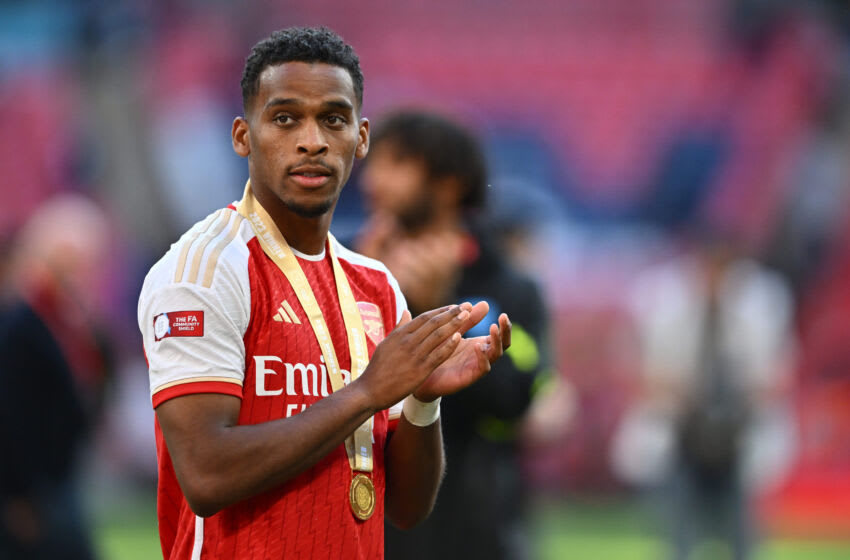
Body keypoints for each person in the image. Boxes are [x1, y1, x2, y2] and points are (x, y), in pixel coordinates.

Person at [137, 27, 511, 560]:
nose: (311, 140)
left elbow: (405, 507)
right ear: (244, 136)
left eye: (332, 119)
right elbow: (206, 473)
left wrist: (423, 400)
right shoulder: (203, 270)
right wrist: (366, 393)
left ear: (359, 139)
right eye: (285, 118)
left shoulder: (376, 285)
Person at [356, 110, 549, 560]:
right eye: (375, 162)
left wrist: (433, 307)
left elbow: (513, 403)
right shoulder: (341, 265)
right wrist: (363, 286)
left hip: (473, 530)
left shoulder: (508, 287)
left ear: (448, 185)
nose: (372, 179)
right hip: (365, 529)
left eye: (396, 163)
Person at [611, 228, 796, 560]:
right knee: (678, 528)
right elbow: (640, 370)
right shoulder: (662, 300)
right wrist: (684, 394)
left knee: (741, 530)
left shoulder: (763, 304)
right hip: (681, 428)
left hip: (738, 431)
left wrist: (738, 398)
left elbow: (778, 375)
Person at [0, 194, 112, 560]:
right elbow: (10, 414)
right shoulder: (21, 324)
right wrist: (15, 496)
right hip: (31, 492)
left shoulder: (68, 320)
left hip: (59, 480)